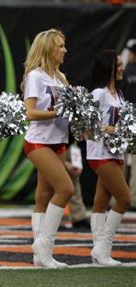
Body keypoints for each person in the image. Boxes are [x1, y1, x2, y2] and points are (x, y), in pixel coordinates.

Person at [22, 28, 73, 269]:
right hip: (39, 141)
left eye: (64, 45)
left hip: (58, 141)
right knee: (65, 189)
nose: (64, 50)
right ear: (48, 48)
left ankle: (41, 256)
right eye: (60, 46)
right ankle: (44, 244)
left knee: (43, 195)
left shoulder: (61, 78)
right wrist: (57, 112)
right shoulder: (36, 76)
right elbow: (30, 112)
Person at [86, 49, 130, 266]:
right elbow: (87, 126)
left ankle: (97, 252)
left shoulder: (119, 95)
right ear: (109, 68)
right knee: (125, 198)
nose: (122, 68)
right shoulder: (98, 94)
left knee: (100, 201)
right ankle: (103, 248)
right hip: (100, 152)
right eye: (119, 64)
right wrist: (115, 130)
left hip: (116, 152)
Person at [124, 44, 136, 210]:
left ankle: (115, 198)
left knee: (117, 160)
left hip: (123, 121)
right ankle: (132, 199)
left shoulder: (125, 73)